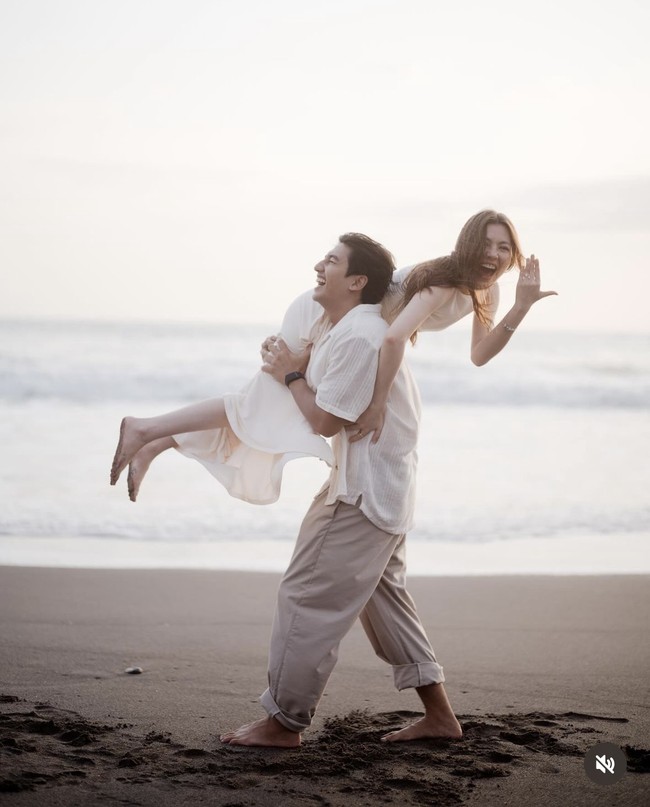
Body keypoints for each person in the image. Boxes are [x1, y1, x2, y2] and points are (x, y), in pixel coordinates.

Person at [109, 211, 556, 500]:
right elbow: (394, 339)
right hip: (326, 312)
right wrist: (376, 405)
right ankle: (148, 432)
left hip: (351, 323)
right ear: (467, 244)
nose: (493, 254)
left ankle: (155, 440)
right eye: (486, 243)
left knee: (266, 405)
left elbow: (479, 355)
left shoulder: (488, 293)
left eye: (504, 247)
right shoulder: (443, 281)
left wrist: (521, 307)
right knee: (261, 401)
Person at [220, 231, 462, 747]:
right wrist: (291, 363)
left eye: (331, 260)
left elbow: (326, 420)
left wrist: (291, 375)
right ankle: (440, 718)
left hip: (362, 493)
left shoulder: (361, 335)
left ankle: (283, 723)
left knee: (306, 598)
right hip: (385, 490)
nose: (319, 265)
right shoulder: (349, 328)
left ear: (357, 281)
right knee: (387, 602)